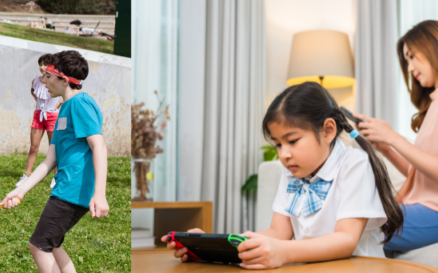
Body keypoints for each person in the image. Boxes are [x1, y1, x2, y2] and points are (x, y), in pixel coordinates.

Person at [162, 82, 404, 269]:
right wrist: (213, 246)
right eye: (278, 144)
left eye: (292, 141)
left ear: (328, 131)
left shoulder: (354, 164)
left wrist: (282, 252)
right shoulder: (291, 172)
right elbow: (278, 233)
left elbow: (345, 240)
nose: (284, 154)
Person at [353, 20, 438, 251]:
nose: (410, 67)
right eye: (406, 60)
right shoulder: (436, 101)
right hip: (425, 206)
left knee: (351, 229)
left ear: (435, 49)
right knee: (348, 222)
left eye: (413, 57)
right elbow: (421, 176)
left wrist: (394, 137)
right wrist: (385, 147)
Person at [0, 50, 110, 273]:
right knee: (53, 244)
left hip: (72, 190)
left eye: (48, 76)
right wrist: (20, 190)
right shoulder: (64, 109)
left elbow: (99, 145)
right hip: (65, 188)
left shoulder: (80, 104)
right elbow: (50, 160)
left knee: (39, 245)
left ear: (64, 80)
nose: (44, 80)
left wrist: (100, 194)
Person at [16, 53, 63, 188]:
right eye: (40, 64)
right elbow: (33, 91)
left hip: (52, 116)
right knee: (33, 147)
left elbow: (68, 92)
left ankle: (56, 177)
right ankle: (26, 175)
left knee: (54, 148)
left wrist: (59, 103)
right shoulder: (35, 80)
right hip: (38, 115)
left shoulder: (56, 80)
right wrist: (38, 103)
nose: (42, 67)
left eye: (45, 64)